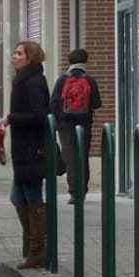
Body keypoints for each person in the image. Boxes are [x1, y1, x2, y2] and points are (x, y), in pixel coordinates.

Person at [2, 40, 51, 270]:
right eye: (15, 52)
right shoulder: (23, 80)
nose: (14, 56)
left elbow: (40, 116)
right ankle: (38, 247)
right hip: (23, 150)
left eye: (19, 53)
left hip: (32, 150)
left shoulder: (33, 82)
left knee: (31, 196)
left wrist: (12, 118)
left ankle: (38, 251)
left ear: (29, 58)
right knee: (18, 198)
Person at [50, 48, 102, 204]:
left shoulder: (62, 80)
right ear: (85, 61)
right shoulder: (90, 80)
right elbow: (97, 103)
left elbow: (53, 103)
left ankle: (73, 192)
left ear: (70, 61)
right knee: (82, 155)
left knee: (69, 156)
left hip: (65, 124)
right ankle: (83, 190)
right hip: (84, 123)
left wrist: (56, 121)